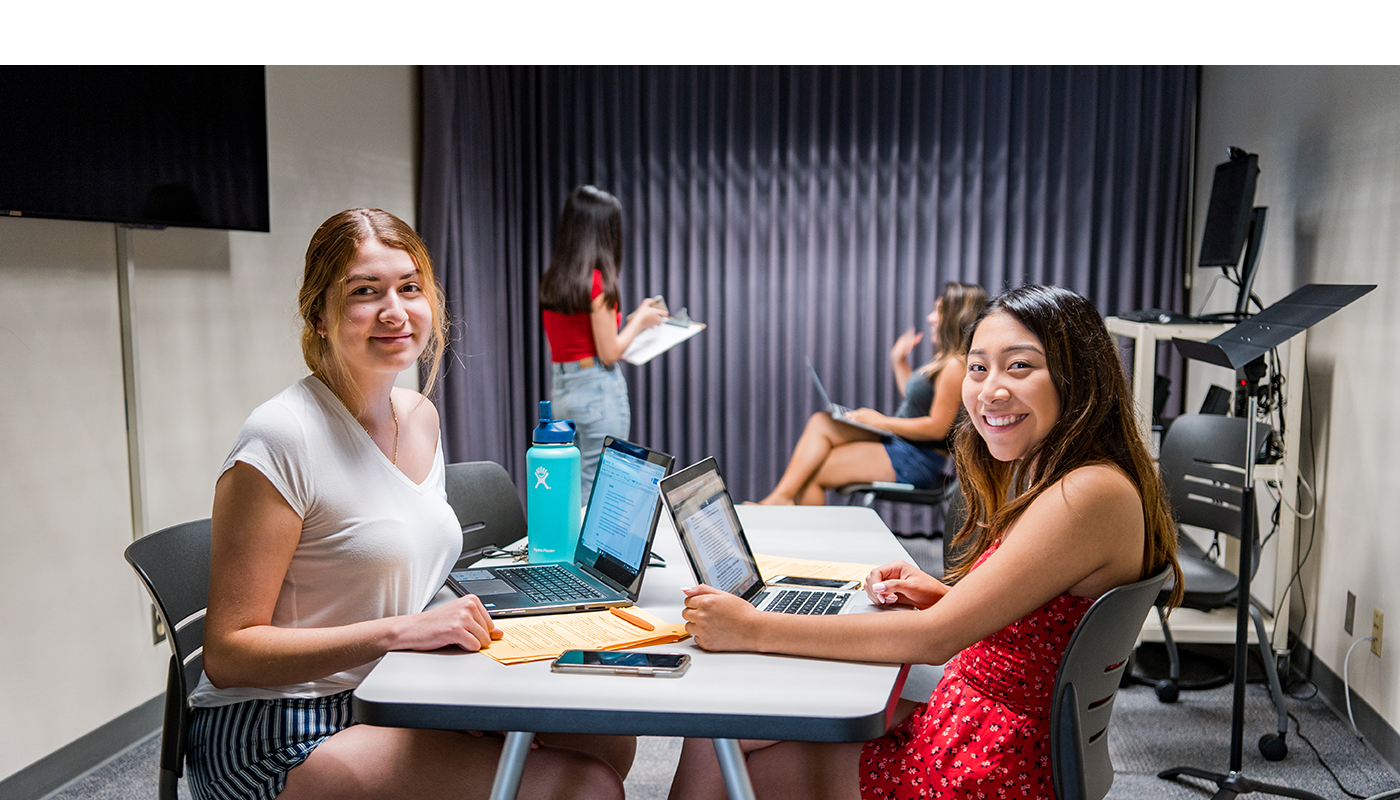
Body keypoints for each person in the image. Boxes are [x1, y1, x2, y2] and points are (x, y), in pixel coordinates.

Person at [671, 285, 1183, 800]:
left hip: (988, 760)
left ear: (1079, 376)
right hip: (976, 723)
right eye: (978, 368)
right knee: (726, 733)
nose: (990, 390)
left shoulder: (1086, 492)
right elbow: (1036, 623)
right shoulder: (1067, 474)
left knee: (716, 742)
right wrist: (946, 595)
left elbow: (936, 639)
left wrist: (754, 627)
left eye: (1020, 367)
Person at [189, 209, 633, 800]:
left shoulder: (419, 417)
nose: (394, 311)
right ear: (319, 315)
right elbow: (227, 653)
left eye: (409, 288)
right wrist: (401, 631)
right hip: (279, 726)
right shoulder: (282, 436)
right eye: (365, 293)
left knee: (606, 739)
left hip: (396, 687)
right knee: (582, 786)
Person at [757, 281, 989, 505]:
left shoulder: (954, 366)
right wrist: (898, 360)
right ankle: (782, 497)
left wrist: (880, 421)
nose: (930, 317)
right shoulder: (945, 360)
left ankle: (785, 504)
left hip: (917, 458)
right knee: (821, 423)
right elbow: (919, 400)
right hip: (903, 445)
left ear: (956, 316)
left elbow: (937, 427)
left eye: (938, 310)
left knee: (812, 474)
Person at [540, 185, 668, 497]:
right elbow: (609, 353)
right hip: (598, 389)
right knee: (601, 487)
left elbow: (579, 340)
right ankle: (592, 548)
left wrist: (632, 318)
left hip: (564, 389)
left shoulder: (555, 280)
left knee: (574, 483)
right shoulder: (597, 282)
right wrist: (639, 321)